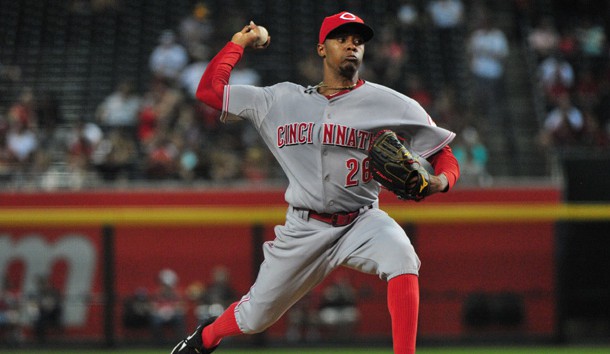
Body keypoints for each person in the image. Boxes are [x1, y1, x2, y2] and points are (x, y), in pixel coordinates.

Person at [171, 11, 460, 354]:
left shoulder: (392, 103)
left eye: (358, 41)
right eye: (342, 39)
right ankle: (206, 338)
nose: (352, 45)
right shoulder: (279, 100)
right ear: (321, 49)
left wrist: (440, 181)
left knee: (402, 257)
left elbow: (445, 154)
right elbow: (208, 91)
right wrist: (238, 43)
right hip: (304, 227)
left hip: (362, 219)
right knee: (255, 317)